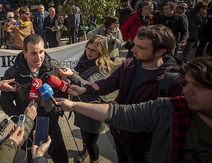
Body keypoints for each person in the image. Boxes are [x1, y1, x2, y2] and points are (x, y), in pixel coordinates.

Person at [57, 56, 212, 163]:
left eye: (197, 86)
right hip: (122, 136)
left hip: (141, 143)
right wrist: (73, 105)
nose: (186, 91)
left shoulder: (170, 81)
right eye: (186, 84)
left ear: (160, 51)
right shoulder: (170, 109)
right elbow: (122, 114)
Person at [69, 25, 183, 163]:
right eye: (134, 44)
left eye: (141, 48)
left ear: (160, 52)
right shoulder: (129, 65)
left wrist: (118, 109)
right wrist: (86, 89)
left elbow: (160, 117)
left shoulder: (174, 81)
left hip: (141, 143)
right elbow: (108, 83)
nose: (133, 50)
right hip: (119, 132)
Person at [0, 34, 68, 163]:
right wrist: (22, 119)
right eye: (33, 53)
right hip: (28, 128)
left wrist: (59, 108)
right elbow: (5, 102)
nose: (38, 57)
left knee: (61, 158)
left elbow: (63, 91)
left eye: (41, 52)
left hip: (51, 123)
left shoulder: (53, 68)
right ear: (24, 53)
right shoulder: (12, 74)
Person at [58, 36, 113, 163]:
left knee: (91, 143)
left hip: (94, 111)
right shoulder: (84, 62)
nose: (89, 52)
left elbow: (88, 86)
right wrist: (72, 89)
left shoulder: (103, 68)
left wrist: (72, 75)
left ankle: (95, 159)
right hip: (81, 107)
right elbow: (79, 86)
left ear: (101, 52)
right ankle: (85, 151)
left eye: (93, 50)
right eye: (88, 48)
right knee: (84, 137)